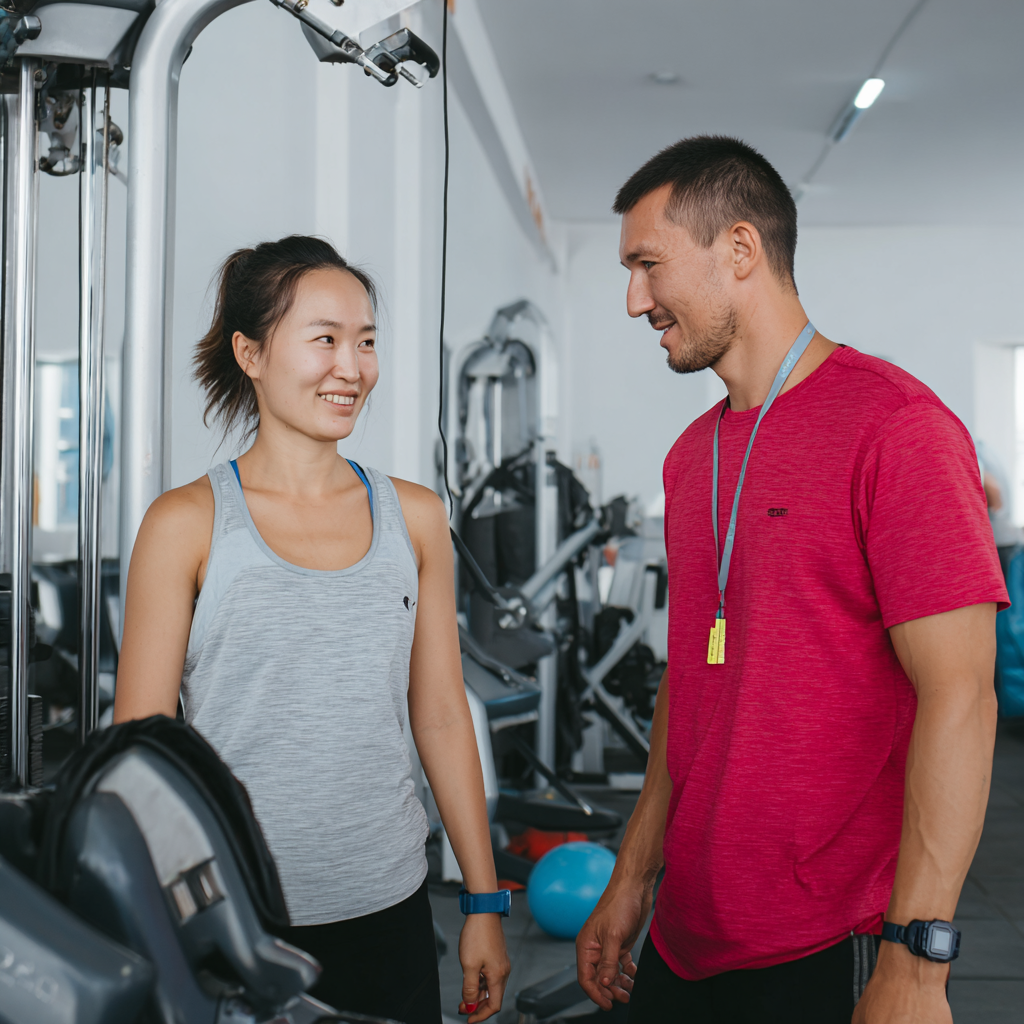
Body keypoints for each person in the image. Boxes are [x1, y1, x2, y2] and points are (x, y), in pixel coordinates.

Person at [575, 137, 1007, 1023]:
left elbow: (961, 697)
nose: (634, 300)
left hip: (830, 939)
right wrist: (634, 872)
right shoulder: (690, 457)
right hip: (686, 933)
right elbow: (692, 678)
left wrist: (917, 962)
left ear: (740, 249)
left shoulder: (898, 429)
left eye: (649, 265)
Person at [113, 236, 510, 1024]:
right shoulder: (185, 523)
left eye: (365, 342)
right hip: (235, 916)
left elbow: (439, 715)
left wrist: (483, 898)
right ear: (251, 354)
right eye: (324, 339)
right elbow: (142, 752)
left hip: (389, 907)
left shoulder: (416, 517)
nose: (351, 367)